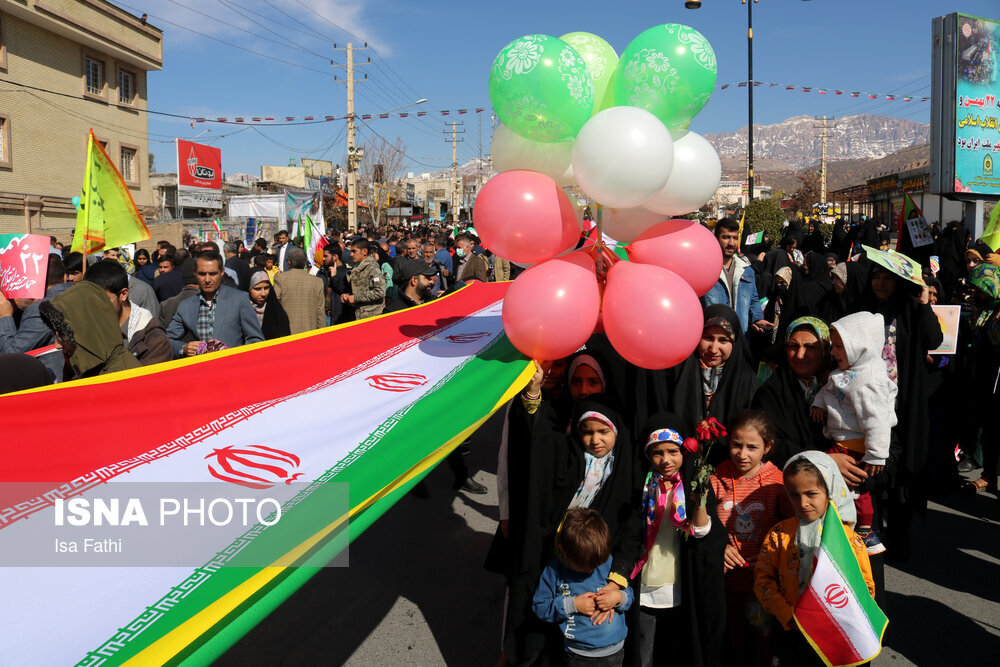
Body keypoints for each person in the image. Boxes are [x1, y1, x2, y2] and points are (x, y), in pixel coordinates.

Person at [503, 397, 642, 666]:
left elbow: (631, 532)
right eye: (587, 432)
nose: (595, 440)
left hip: (595, 570)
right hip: (554, 558)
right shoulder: (566, 455)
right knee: (538, 628)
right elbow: (536, 443)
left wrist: (615, 584)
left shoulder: (626, 471)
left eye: (603, 431)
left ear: (617, 432)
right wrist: (532, 401)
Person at [853, 262, 942, 560]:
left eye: (887, 279)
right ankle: (871, 534)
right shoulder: (862, 308)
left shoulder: (909, 308)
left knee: (902, 473)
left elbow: (934, 340)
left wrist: (923, 302)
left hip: (903, 405)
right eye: (875, 277)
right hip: (869, 403)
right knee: (872, 469)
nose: (880, 284)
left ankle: (899, 537)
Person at [754, 451, 875, 667]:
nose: (803, 503)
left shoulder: (848, 541)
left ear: (829, 491)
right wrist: (787, 615)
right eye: (793, 494)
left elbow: (865, 588)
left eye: (811, 493)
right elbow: (764, 581)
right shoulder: (779, 534)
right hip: (790, 630)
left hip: (835, 633)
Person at [635, 412, 725, 667]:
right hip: (647, 579)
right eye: (657, 452)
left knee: (675, 650)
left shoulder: (694, 483)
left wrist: (699, 503)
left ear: (684, 451)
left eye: (673, 451)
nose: (665, 460)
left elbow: (701, 532)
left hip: (680, 578)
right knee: (644, 649)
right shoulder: (642, 485)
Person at [710, 410, 794, 667]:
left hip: (764, 584)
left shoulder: (777, 483)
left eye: (752, 447)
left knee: (763, 645)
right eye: (736, 445)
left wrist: (771, 556)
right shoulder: (716, 477)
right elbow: (703, 524)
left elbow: (790, 529)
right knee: (732, 645)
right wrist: (718, 546)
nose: (742, 454)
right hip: (725, 583)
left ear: (768, 447)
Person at [810, 312, 896, 553]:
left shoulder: (868, 381)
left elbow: (877, 420)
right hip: (841, 442)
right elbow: (828, 390)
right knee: (838, 487)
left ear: (859, 346)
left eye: (839, 346)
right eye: (833, 346)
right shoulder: (847, 373)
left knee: (858, 488)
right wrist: (818, 403)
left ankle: (866, 530)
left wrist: (877, 455)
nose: (833, 352)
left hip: (857, 446)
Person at [532, 508, 634, 666]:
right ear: (563, 550)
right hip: (577, 655)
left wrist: (618, 597)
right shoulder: (554, 571)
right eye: (585, 567)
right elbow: (540, 606)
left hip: (614, 651)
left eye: (596, 565)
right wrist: (572, 605)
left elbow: (630, 595)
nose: (592, 570)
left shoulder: (605, 561)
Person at [669, 305, 759, 465]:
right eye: (708, 338)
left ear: (735, 342)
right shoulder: (679, 371)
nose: (713, 348)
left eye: (723, 340)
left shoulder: (746, 380)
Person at [752, 317, 835, 467]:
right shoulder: (771, 392)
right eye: (793, 346)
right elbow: (772, 443)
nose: (799, 355)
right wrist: (826, 461)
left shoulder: (842, 386)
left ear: (825, 350)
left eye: (810, 347)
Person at [166, 251, 264, 357]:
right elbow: (166, 341)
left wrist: (236, 358)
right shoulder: (186, 306)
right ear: (195, 273)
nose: (207, 280)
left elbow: (255, 339)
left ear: (222, 272)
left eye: (213, 274)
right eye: (202, 274)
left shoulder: (239, 299)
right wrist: (183, 348)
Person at [38, 281, 141, 377]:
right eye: (57, 334)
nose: (57, 345)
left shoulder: (124, 376)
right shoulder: (89, 368)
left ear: (84, 331)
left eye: (62, 335)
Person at [84, 260, 171, 366]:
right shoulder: (88, 330)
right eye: (90, 301)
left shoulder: (154, 339)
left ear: (123, 294)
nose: (95, 307)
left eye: (103, 300)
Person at [702, 218, 768, 334]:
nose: (731, 243)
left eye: (735, 238)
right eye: (726, 237)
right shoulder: (704, 270)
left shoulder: (747, 270)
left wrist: (758, 319)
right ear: (716, 238)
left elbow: (753, 300)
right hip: (714, 338)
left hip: (740, 338)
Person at [0, 255, 73, 361]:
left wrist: (5, 316)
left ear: (30, 282)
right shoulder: (75, 293)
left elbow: (10, 355)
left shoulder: (40, 309)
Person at [273, 248, 325, 335]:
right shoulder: (317, 281)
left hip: (287, 331)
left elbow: (275, 303)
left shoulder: (280, 279)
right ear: (305, 263)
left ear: (289, 263)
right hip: (310, 331)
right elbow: (320, 311)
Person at [343, 239, 386, 320]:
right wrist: (348, 296)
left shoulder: (372, 268)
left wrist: (355, 298)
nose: (351, 254)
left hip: (371, 316)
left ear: (364, 252)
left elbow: (380, 292)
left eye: (354, 251)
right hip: (359, 314)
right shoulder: (358, 266)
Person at [248, 270, 291, 340]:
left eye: (266, 288)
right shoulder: (242, 311)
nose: (263, 293)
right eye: (257, 289)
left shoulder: (277, 312)